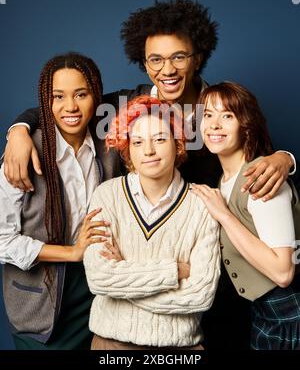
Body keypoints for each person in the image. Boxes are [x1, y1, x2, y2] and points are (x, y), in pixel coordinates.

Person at [4, 0, 296, 197]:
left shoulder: (225, 104)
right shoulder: (125, 106)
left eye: (178, 57)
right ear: (143, 63)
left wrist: (286, 159)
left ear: (198, 59)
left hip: (218, 242)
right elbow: (69, 107)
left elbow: (263, 154)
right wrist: (18, 131)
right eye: (155, 60)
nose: (167, 70)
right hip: (148, 240)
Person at [83, 95, 220, 349]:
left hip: (181, 349)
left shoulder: (203, 204)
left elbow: (201, 296)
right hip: (111, 346)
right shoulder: (107, 195)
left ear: (178, 144)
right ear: (127, 149)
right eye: (137, 142)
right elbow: (99, 279)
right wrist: (173, 272)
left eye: (159, 139)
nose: (148, 150)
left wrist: (121, 283)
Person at [0, 52, 114, 350]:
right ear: (45, 101)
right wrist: (72, 252)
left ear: (96, 96)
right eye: (58, 96)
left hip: (100, 295)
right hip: (39, 305)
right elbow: (1, 240)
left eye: (81, 94)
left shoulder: (110, 144)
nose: (70, 107)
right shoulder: (22, 154)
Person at [191, 81, 300, 350]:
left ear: (246, 124)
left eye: (227, 115)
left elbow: (283, 272)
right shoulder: (222, 180)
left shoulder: (261, 178)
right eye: (208, 114)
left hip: (290, 316)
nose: (214, 124)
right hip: (264, 314)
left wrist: (225, 216)